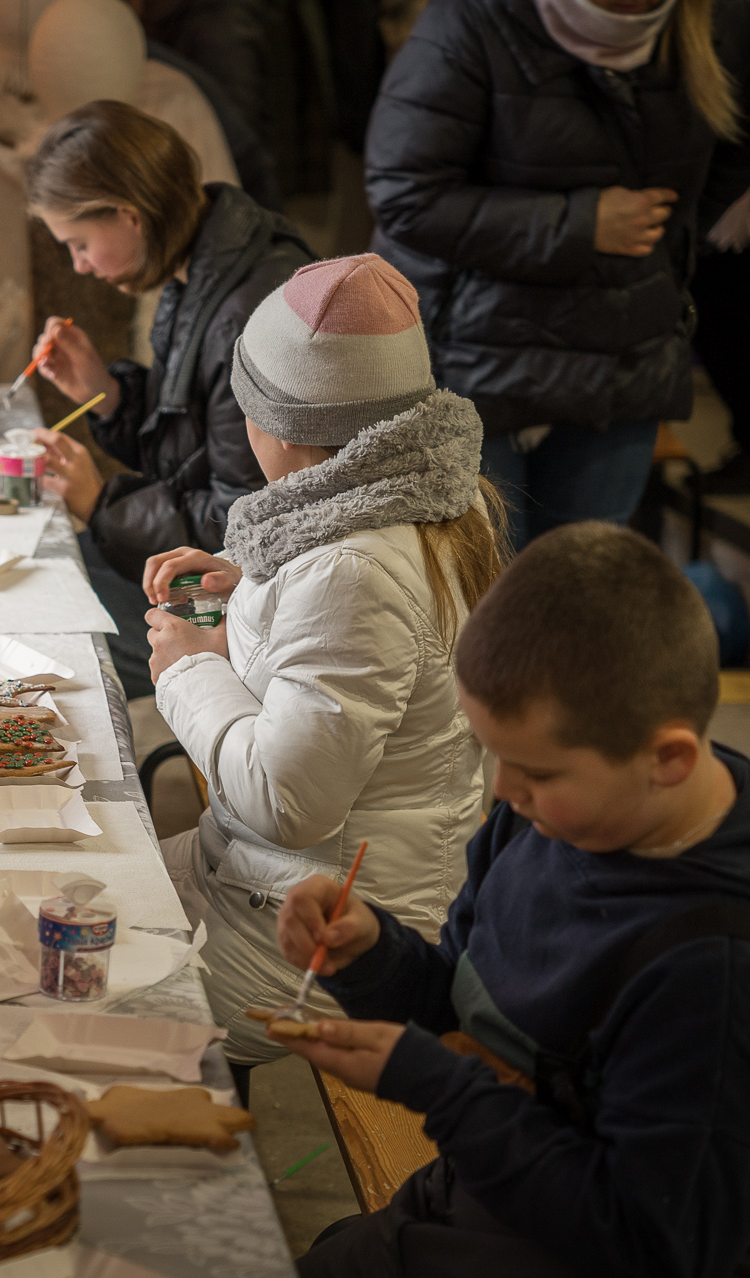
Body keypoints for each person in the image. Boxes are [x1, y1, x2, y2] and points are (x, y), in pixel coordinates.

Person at [277, 523, 750, 1278]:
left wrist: (439, 1087)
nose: (502, 791)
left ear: (668, 758)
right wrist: (373, 957)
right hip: (517, 1205)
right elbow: (477, 1010)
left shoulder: (724, 978)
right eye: (493, 755)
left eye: (535, 771)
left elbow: (651, 1254)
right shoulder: (559, 815)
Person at [141, 255, 505, 1088]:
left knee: (73, 985)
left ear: (288, 429)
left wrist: (190, 669)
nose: (242, 433)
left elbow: (288, 799)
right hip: (258, 884)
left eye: (246, 416)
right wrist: (248, 587)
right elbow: (330, 631)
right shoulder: (409, 494)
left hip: (321, 939)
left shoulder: (355, 570)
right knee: (75, 891)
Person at [365, 0, 750, 546]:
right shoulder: (472, 18)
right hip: (471, 350)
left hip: (622, 344)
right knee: (485, 595)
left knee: (581, 591)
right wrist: (580, 226)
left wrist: (670, 228)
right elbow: (404, 194)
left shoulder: (733, 17)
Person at [23, 100, 312, 699]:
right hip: (214, 569)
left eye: (79, 243)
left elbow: (242, 527)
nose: (79, 266)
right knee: (36, 578)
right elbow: (192, 448)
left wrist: (102, 503)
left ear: (129, 215)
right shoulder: (200, 264)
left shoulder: (248, 309)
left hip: (256, 604)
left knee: (44, 648)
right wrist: (105, 396)